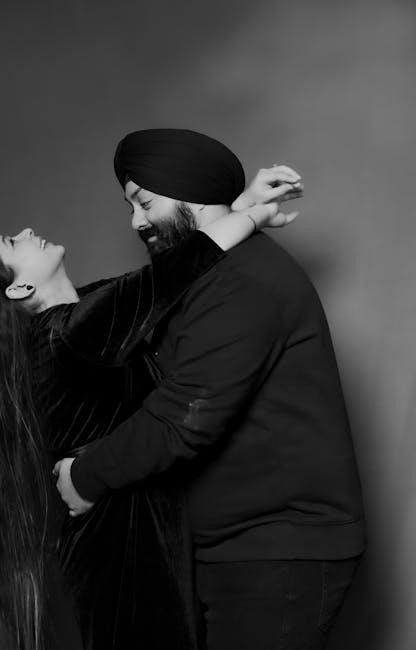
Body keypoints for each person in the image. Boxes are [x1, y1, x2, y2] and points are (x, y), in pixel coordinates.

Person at [0, 174, 298, 650]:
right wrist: (253, 213)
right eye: (13, 241)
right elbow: (181, 268)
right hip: (119, 550)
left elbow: (173, 274)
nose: (27, 231)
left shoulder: (75, 324)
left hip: (126, 536)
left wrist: (240, 206)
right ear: (19, 287)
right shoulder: (67, 334)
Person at [56, 129, 367, 650]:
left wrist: (84, 479)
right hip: (239, 545)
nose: (136, 222)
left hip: (279, 550)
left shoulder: (244, 282)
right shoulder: (210, 275)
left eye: (145, 203)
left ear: (190, 191)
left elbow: (183, 419)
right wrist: (239, 213)